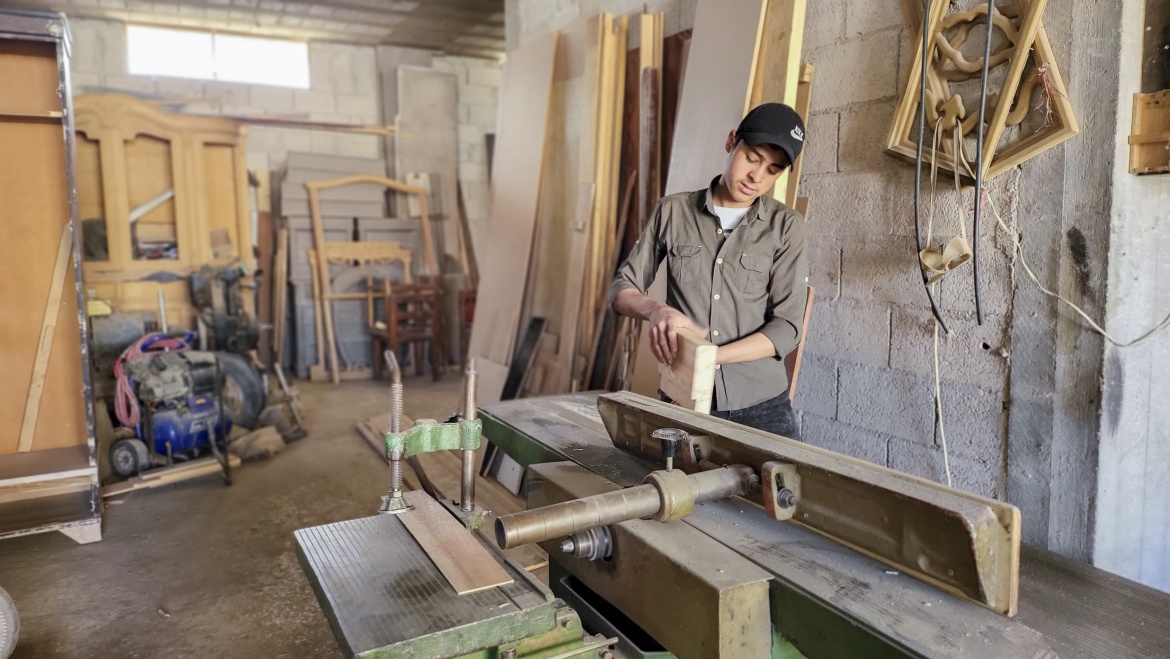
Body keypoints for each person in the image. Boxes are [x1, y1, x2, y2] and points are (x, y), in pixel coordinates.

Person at [608, 102, 809, 439]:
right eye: (753, 158)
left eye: (772, 170)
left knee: (780, 491)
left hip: (761, 408)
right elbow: (621, 288)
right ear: (731, 141)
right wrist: (656, 309)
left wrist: (711, 356)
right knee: (673, 491)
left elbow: (788, 327)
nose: (757, 177)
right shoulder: (674, 211)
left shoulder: (786, 227)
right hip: (683, 399)